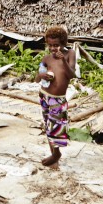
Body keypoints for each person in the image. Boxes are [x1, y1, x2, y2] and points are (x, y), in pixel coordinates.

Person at [36, 26, 77, 167]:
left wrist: (63, 61)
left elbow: (71, 75)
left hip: (57, 98)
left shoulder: (69, 54)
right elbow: (37, 78)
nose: (53, 48)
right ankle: (54, 153)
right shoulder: (46, 58)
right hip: (44, 95)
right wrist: (41, 75)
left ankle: (56, 153)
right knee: (48, 125)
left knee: (57, 126)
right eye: (50, 45)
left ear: (63, 43)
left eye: (56, 45)